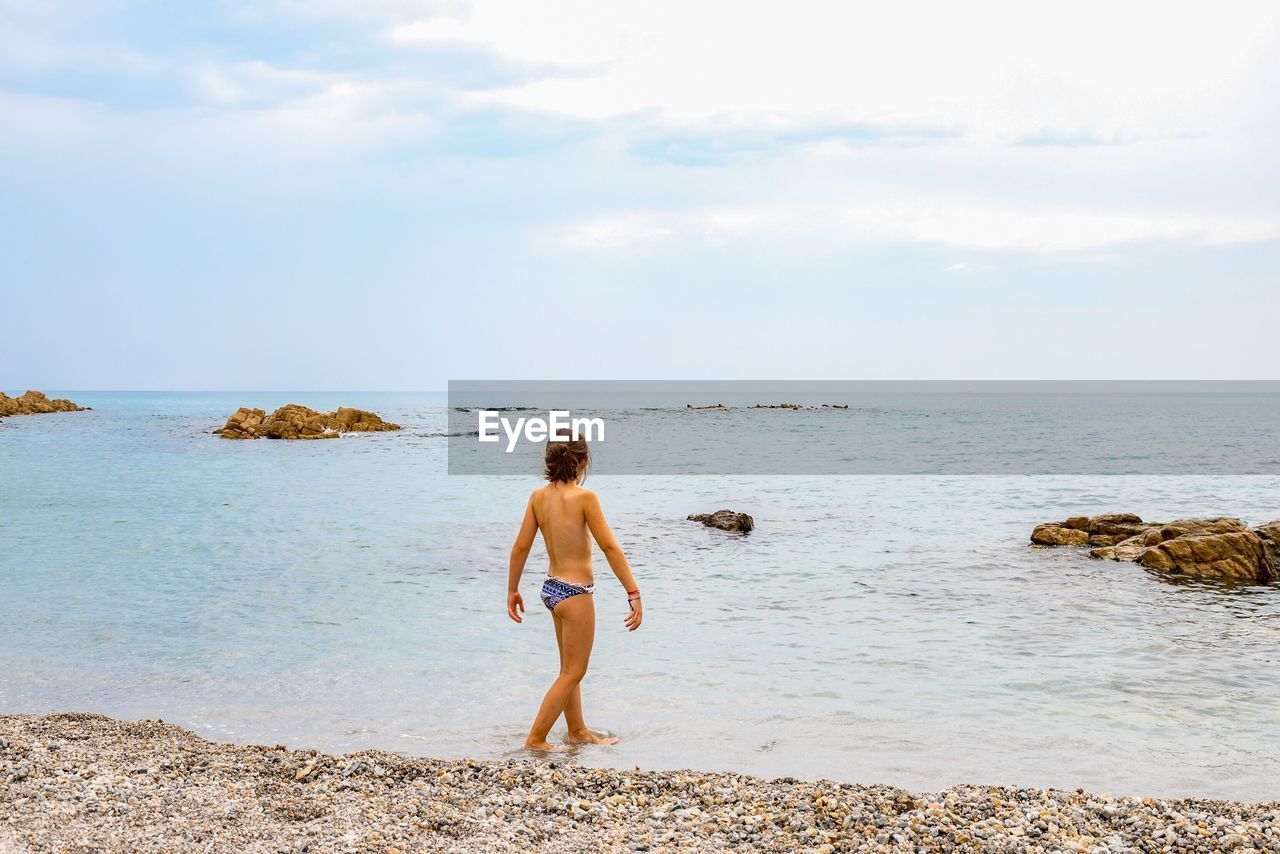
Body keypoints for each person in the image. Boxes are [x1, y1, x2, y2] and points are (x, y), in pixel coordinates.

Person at [506, 432, 642, 751]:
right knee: (574, 671)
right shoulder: (585, 498)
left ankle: (578, 731)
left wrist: (512, 589)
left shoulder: (538, 497)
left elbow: (521, 546)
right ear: (582, 463)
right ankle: (536, 738)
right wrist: (633, 591)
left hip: (551, 589)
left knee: (568, 669)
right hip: (576, 592)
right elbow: (609, 546)